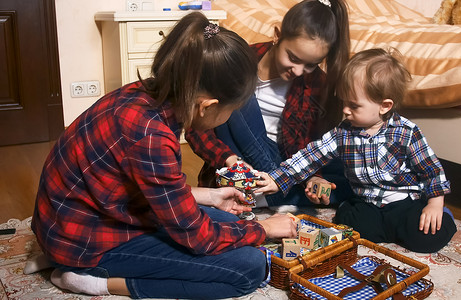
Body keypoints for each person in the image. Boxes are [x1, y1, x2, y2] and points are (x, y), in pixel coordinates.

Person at [30, 13, 297, 299]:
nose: (230, 117)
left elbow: (149, 184)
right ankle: (92, 281)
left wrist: (210, 196)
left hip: (77, 220)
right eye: (232, 111)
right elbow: (198, 238)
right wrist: (264, 228)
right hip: (83, 241)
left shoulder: (145, 96)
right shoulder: (151, 136)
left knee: (232, 225)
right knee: (250, 267)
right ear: (207, 106)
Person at [256, 48, 457, 253]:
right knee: (349, 226)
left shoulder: (406, 132)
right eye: (344, 102)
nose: (344, 109)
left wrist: (435, 203)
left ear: (384, 106)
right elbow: (311, 155)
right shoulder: (343, 133)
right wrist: (278, 179)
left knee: (428, 236)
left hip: (403, 203)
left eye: (354, 105)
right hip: (368, 202)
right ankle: (355, 212)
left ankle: (441, 215)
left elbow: (431, 170)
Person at [185, 0, 352, 207]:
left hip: (285, 165)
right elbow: (196, 125)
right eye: (293, 58)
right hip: (238, 162)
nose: (298, 71)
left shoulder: (317, 83)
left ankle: (270, 194)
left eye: (310, 65)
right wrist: (230, 160)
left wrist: (311, 177)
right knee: (237, 88)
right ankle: (273, 195)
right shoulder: (239, 60)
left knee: (347, 173)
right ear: (277, 35)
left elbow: (310, 146)